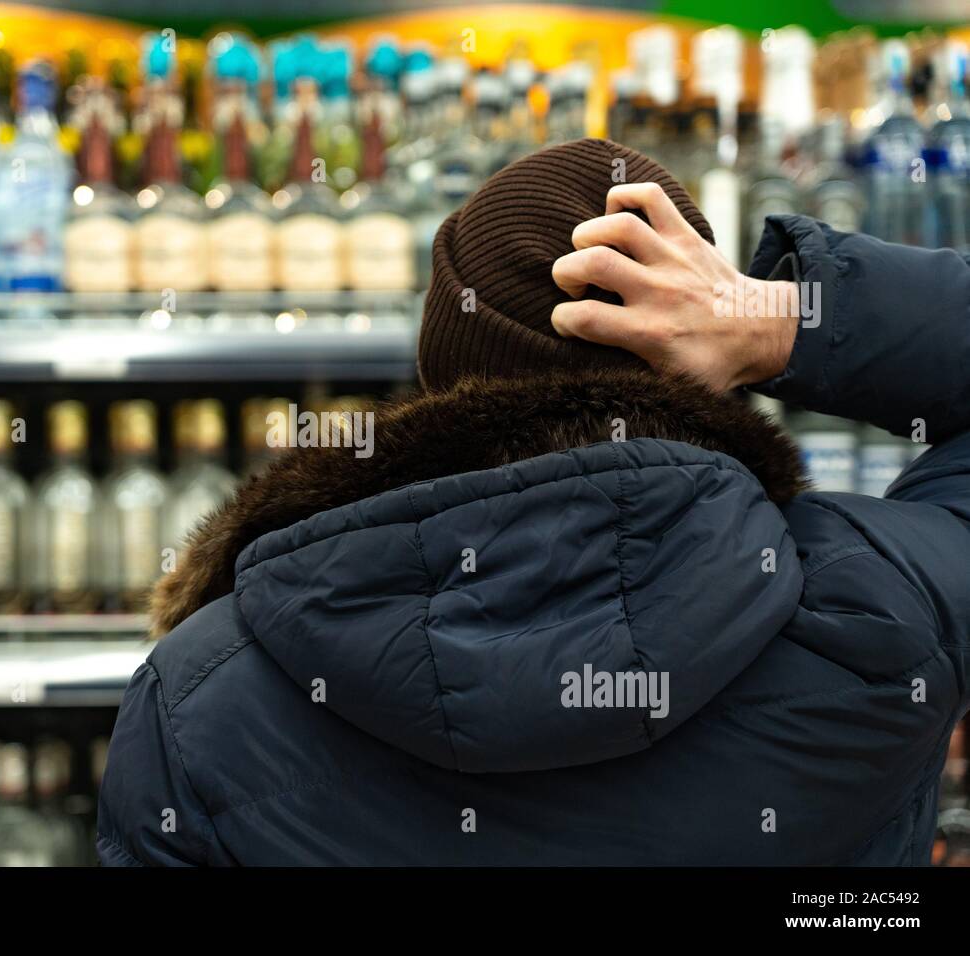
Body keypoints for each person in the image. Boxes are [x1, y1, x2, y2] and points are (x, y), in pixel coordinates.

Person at [97, 138, 970, 865]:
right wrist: (789, 320)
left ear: (440, 380)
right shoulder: (883, 611)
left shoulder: (203, 695)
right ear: (712, 366)